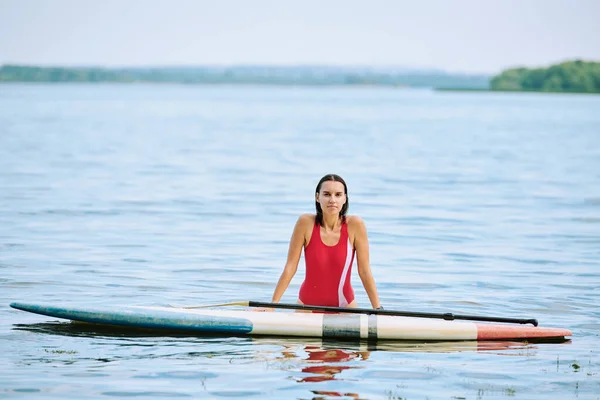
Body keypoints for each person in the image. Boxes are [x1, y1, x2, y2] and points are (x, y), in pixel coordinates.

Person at [271, 174, 382, 309]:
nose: (332, 200)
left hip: (345, 307)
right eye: (327, 194)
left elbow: (364, 271)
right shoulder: (305, 223)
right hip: (307, 307)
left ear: (345, 198)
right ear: (317, 197)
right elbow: (290, 267)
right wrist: (272, 305)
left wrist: (378, 309)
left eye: (338, 194)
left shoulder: (355, 225)